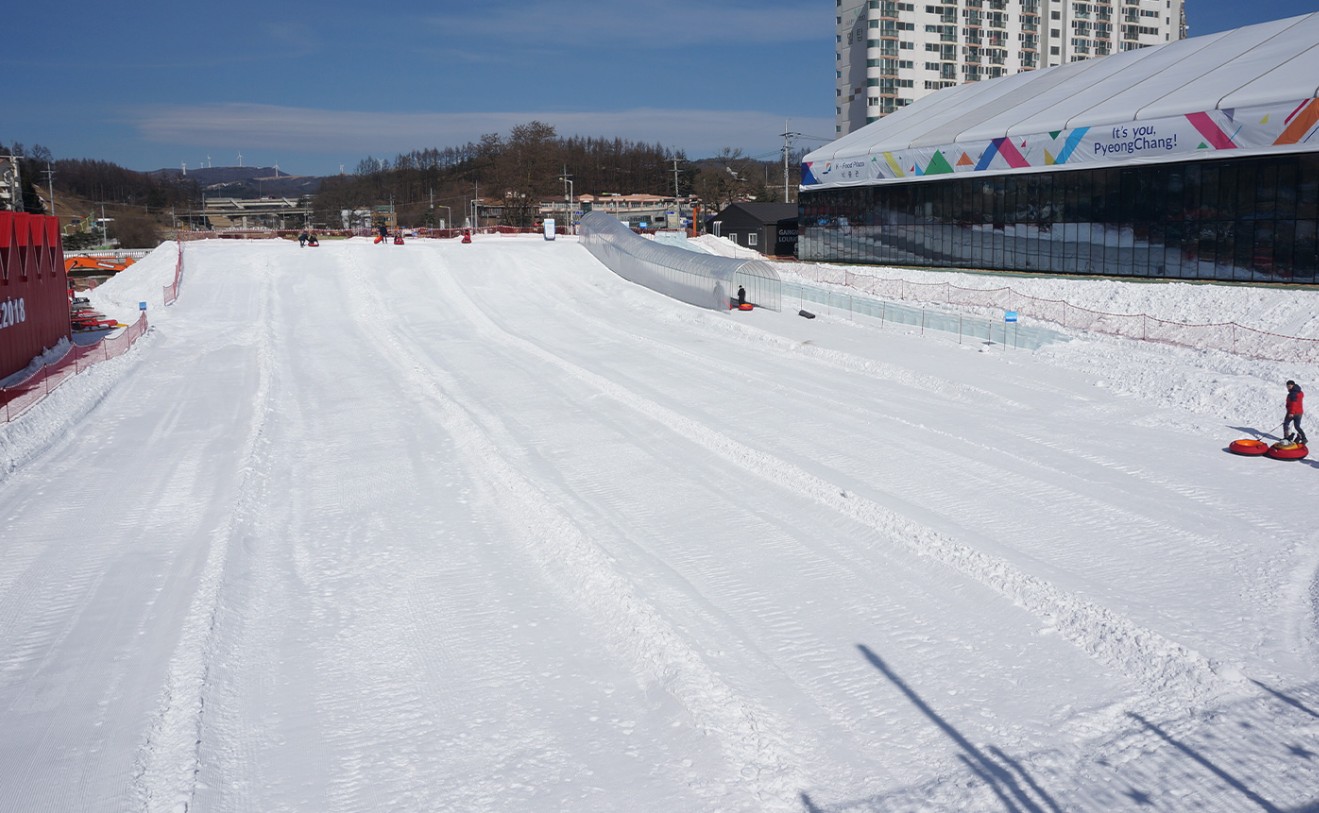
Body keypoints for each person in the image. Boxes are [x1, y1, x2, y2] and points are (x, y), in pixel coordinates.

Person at [1284, 380, 1307, 444]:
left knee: (1286, 424)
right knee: (1297, 426)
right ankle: (1304, 438)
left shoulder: (1293, 393)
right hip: (1299, 412)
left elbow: (1294, 404)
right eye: (1287, 386)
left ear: (1293, 385)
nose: (1288, 387)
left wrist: (1292, 412)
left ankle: (1286, 438)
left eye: (1289, 386)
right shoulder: (1299, 392)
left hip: (1293, 412)